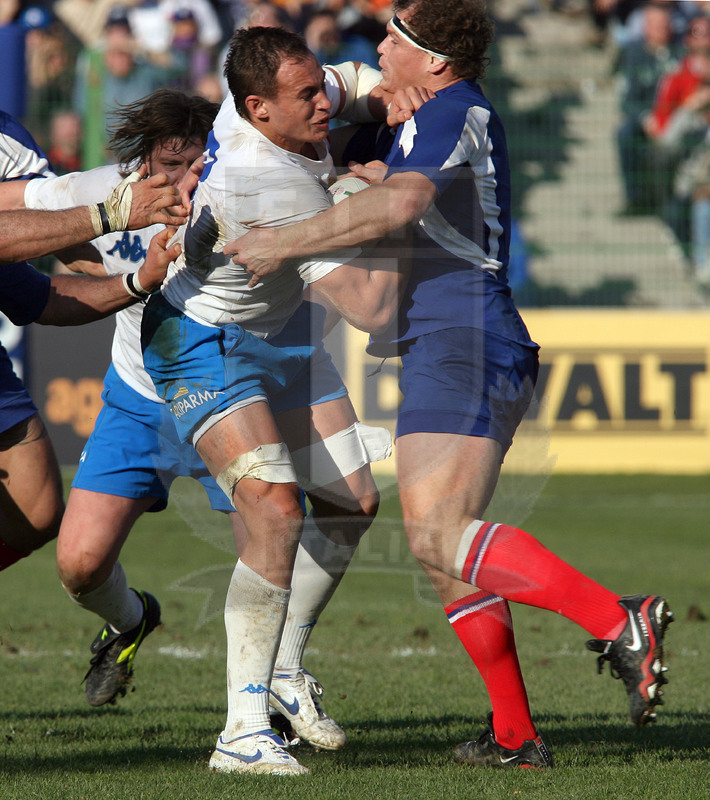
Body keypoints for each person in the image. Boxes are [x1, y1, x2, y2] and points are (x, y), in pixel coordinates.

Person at [225, 0, 674, 769]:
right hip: (446, 340)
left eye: (395, 37)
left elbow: (403, 200)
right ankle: (513, 736)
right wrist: (359, 172)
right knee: (441, 551)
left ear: (433, 60)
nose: (381, 47)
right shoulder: (413, 118)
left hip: (466, 335)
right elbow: (369, 166)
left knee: (438, 535)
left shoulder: (455, 108)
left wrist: (287, 240)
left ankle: (617, 618)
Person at [140, 27, 415, 775]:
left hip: (281, 329)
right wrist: (385, 196)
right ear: (258, 110)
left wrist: (396, 89)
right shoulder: (271, 185)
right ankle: (241, 732)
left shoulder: (276, 99)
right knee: (273, 511)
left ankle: (286, 667)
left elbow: (353, 80)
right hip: (204, 341)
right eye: (307, 98)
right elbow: (369, 310)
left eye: (316, 87)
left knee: (353, 504)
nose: (323, 103)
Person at [614, 1, 682, 215]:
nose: (662, 29)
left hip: (678, 119)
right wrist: (646, 118)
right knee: (625, 133)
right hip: (647, 121)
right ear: (646, 27)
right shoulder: (634, 54)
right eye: (656, 25)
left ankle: (676, 200)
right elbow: (627, 99)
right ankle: (635, 199)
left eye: (665, 24)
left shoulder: (681, 50)